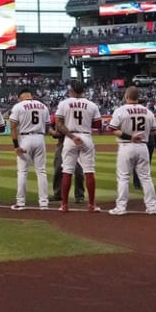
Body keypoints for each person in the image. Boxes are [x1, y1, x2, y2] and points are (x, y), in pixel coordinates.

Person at [108, 85, 156, 215]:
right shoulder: (148, 112)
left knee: (123, 177)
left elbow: (112, 129)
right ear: (138, 97)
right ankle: (151, 207)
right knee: (146, 177)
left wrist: (130, 136)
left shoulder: (120, 111)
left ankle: (121, 207)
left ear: (126, 96)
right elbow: (153, 131)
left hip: (126, 145)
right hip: (143, 146)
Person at [54, 80, 101, 213]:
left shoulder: (64, 103)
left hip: (70, 138)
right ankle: (92, 205)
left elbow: (59, 124)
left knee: (67, 171)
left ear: (72, 91)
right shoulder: (92, 105)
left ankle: (64, 205)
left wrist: (72, 136)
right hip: (86, 136)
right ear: (83, 91)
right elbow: (97, 125)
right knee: (89, 171)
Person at [7, 86, 51, 210]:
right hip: (40, 138)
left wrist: (16, 146)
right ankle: (44, 202)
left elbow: (13, 127)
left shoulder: (18, 106)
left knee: (22, 171)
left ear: (20, 96)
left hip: (25, 139)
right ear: (31, 95)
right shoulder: (43, 106)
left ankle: (20, 202)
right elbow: (47, 127)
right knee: (41, 171)